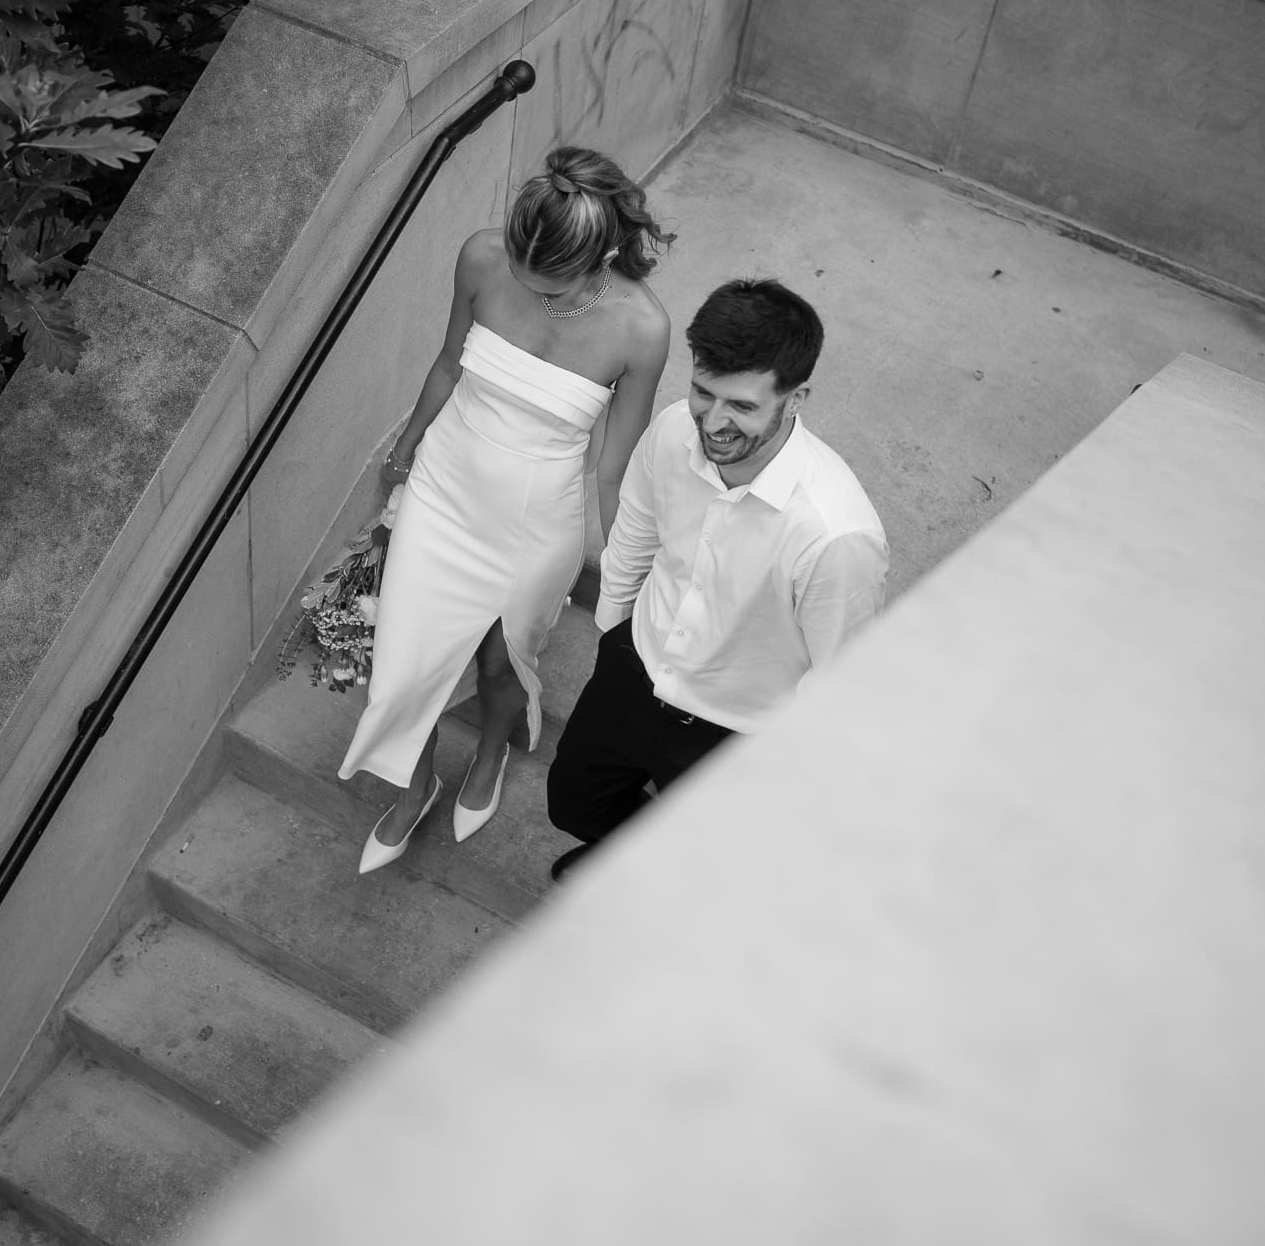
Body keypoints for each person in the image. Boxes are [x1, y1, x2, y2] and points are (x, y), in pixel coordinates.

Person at [340, 146, 673, 874]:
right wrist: (401, 454)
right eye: (523, 271)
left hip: (536, 518)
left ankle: (491, 747)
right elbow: (447, 362)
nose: (529, 289)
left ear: (601, 255)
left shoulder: (642, 328)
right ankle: (414, 783)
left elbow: (616, 468)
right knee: (403, 656)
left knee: (499, 664)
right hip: (443, 487)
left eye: (548, 283)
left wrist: (627, 574)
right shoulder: (483, 257)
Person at [544, 278, 889, 881]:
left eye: (743, 406)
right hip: (636, 668)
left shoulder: (835, 536)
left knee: (705, 867)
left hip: (732, 733)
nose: (715, 422)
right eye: (705, 392)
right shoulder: (677, 429)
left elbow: (841, 683)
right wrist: (615, 638)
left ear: (797, 396)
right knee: (574, 803)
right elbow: (635, 534)